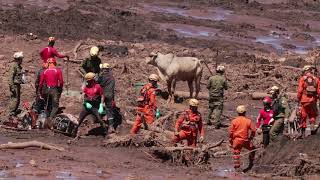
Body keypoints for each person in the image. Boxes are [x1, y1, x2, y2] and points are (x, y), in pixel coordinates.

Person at [72, 72, 107, 137]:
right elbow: (83, 96)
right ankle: (73, 133)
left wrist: (101, 105)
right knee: (79, 120)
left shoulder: (98, 86)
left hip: (95, 106)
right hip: (87, 106)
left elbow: (102, 95)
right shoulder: (86, 87)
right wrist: (85, 103)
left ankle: (106, 133)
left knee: (100, 119)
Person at [229, 105, 256, 172]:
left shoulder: (234, 121)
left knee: (236, 153)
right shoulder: (248, 121)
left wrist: (231, 140)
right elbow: (254, 130)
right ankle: (251, 164)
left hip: (236, 140)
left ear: (237, 112)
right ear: (245, 112)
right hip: (245, 140)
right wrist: (251, 137)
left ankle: (237, 167)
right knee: (252, 149)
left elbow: (231, 132)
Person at [297, 65, 320, 136]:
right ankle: (312, 130)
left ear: (305, 71)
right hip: (313, 100)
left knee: (303, 115)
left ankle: (302, 134)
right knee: (312, 115)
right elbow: (319, 91)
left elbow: (300, 91)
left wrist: (298, 99)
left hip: (304, 101)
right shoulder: (316, 79)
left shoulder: (302, 79)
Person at [97, 63, 116, 132]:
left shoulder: (102, 76)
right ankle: (111, 127)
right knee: (109, 110)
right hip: (111, 95)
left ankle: (101, 124)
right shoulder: (112, 77)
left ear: (103, 69)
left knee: (98, 107)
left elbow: (98, 83)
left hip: (103, 95)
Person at [8, 52, 24, 116]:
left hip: (17, 85)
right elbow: (10, 77)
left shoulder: (18, 66)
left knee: (17, 99)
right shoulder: (14, 65)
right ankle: (11, 113)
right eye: (21, 59)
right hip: (14, 85)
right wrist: (11, 86)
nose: (22, 60)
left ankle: (14, 112)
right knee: (14, 99)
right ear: (18, 59)